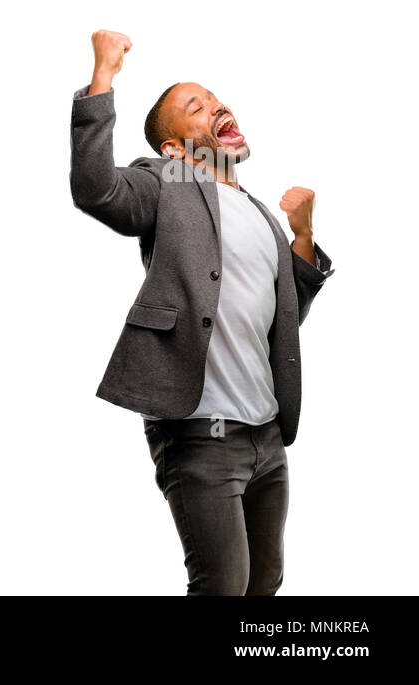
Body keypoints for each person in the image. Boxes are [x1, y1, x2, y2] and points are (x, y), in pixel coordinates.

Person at [69, 30, 334, 595]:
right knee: (223, 586)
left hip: (266, 433)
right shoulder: (168, 184)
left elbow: (283, 319)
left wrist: (304, 237)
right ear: (174, 149)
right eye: (197, 106)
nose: (217, 105)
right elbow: (96, 191)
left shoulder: (260, 214)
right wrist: (103, 79)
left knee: (265, 581)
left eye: (215, 98)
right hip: (200, 434)